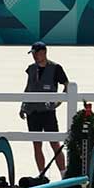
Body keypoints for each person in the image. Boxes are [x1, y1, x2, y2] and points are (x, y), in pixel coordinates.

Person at [23, 44, 71, 179]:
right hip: (32, 112)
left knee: (54, 143)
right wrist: (23, 105)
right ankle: (41, 175)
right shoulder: (31, 69)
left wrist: (59, 102)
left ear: (44, 52)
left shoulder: (56, 68)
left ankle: (63, 174)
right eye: (33, 53)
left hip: (48, 112)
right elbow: (28, 87)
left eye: (36, 53)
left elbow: (67, 85)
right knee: (37, 144)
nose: (34, 56)